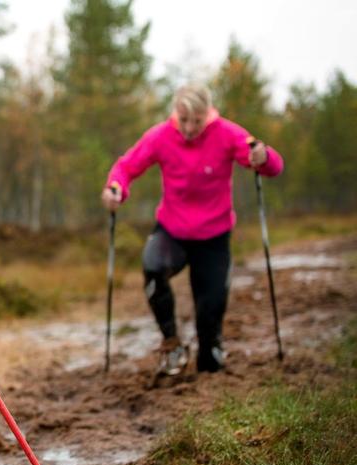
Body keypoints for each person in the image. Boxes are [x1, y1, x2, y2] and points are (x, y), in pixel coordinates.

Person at [101, 85, 283, 375]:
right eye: (183, 119)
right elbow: (126, 168)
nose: (188, 127)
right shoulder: (161, 136)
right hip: (172, 232)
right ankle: (171, 345)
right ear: (176, 113)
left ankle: (210, 346)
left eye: (196, 121)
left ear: (207, 114)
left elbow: (271, 165)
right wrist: (115, 190)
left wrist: (264, 156)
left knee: (209, 330)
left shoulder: (227, 133)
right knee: (152, 268)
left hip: (214, 237)